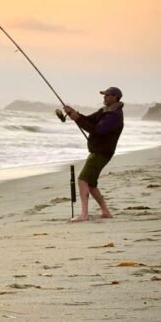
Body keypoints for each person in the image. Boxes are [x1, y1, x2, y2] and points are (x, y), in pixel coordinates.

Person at [63, 87, 125, 222]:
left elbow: (97, 130)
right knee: (91, 184)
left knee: (82, 180)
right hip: (96, 151)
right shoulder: (104, 111)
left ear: (115, 97)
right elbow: (89, 120)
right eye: (104, 95)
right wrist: (74, 113)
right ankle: (105, 212)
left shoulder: (115, 116)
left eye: (108, 95)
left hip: (102, 152)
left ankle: (84, 215)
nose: (104, 97)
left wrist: (77, 119)